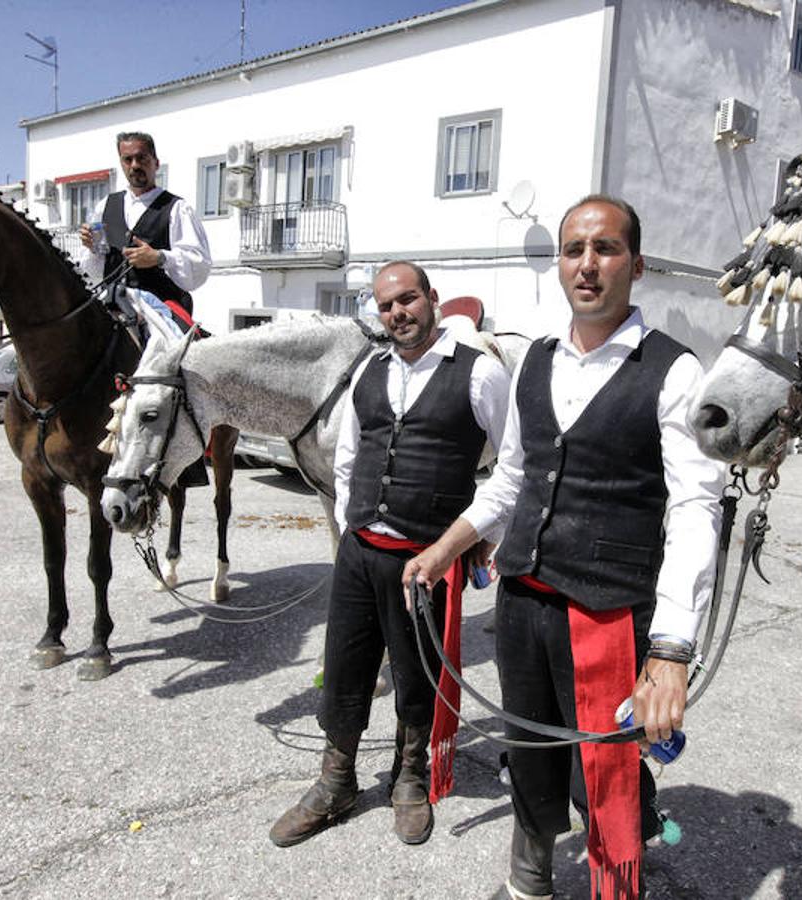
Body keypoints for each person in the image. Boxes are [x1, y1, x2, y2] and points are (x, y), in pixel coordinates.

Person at [403, 196, 723, 900]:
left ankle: (616, 874)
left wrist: (670, 652)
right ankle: (531, 874)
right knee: (531, 755)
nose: (587, 264)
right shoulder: (536, 361)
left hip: (608, 614)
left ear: (635, 266)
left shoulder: (673, 371)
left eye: (605, 249)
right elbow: (511, 480)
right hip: (523, 602)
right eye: (574, 249)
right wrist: (444, 547)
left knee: (603, 772)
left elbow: (698, 511)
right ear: (560, 263)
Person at [269, 261, 511, 849]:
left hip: (424, 562)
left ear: (433, 299)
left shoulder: (479, 374)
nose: (397, 313)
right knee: (347, 668)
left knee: (414, 672)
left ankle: (409, 776)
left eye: (407, 300)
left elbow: (514, 468)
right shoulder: (368, 373)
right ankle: (336, 780)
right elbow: (348, 459)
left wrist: (480, 537)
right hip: (360, 552)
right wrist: (353, 527)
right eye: (385, 305)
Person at [78, 131, 211, 325]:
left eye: (141, 158)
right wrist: (91, 247)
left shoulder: (177, 208)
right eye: (128, 159)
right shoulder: (105, 206)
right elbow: (94, 271)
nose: (135, 165)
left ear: (156, 163)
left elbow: (199, 266)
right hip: (112, 304)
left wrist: (159, 257)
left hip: (160, 310)